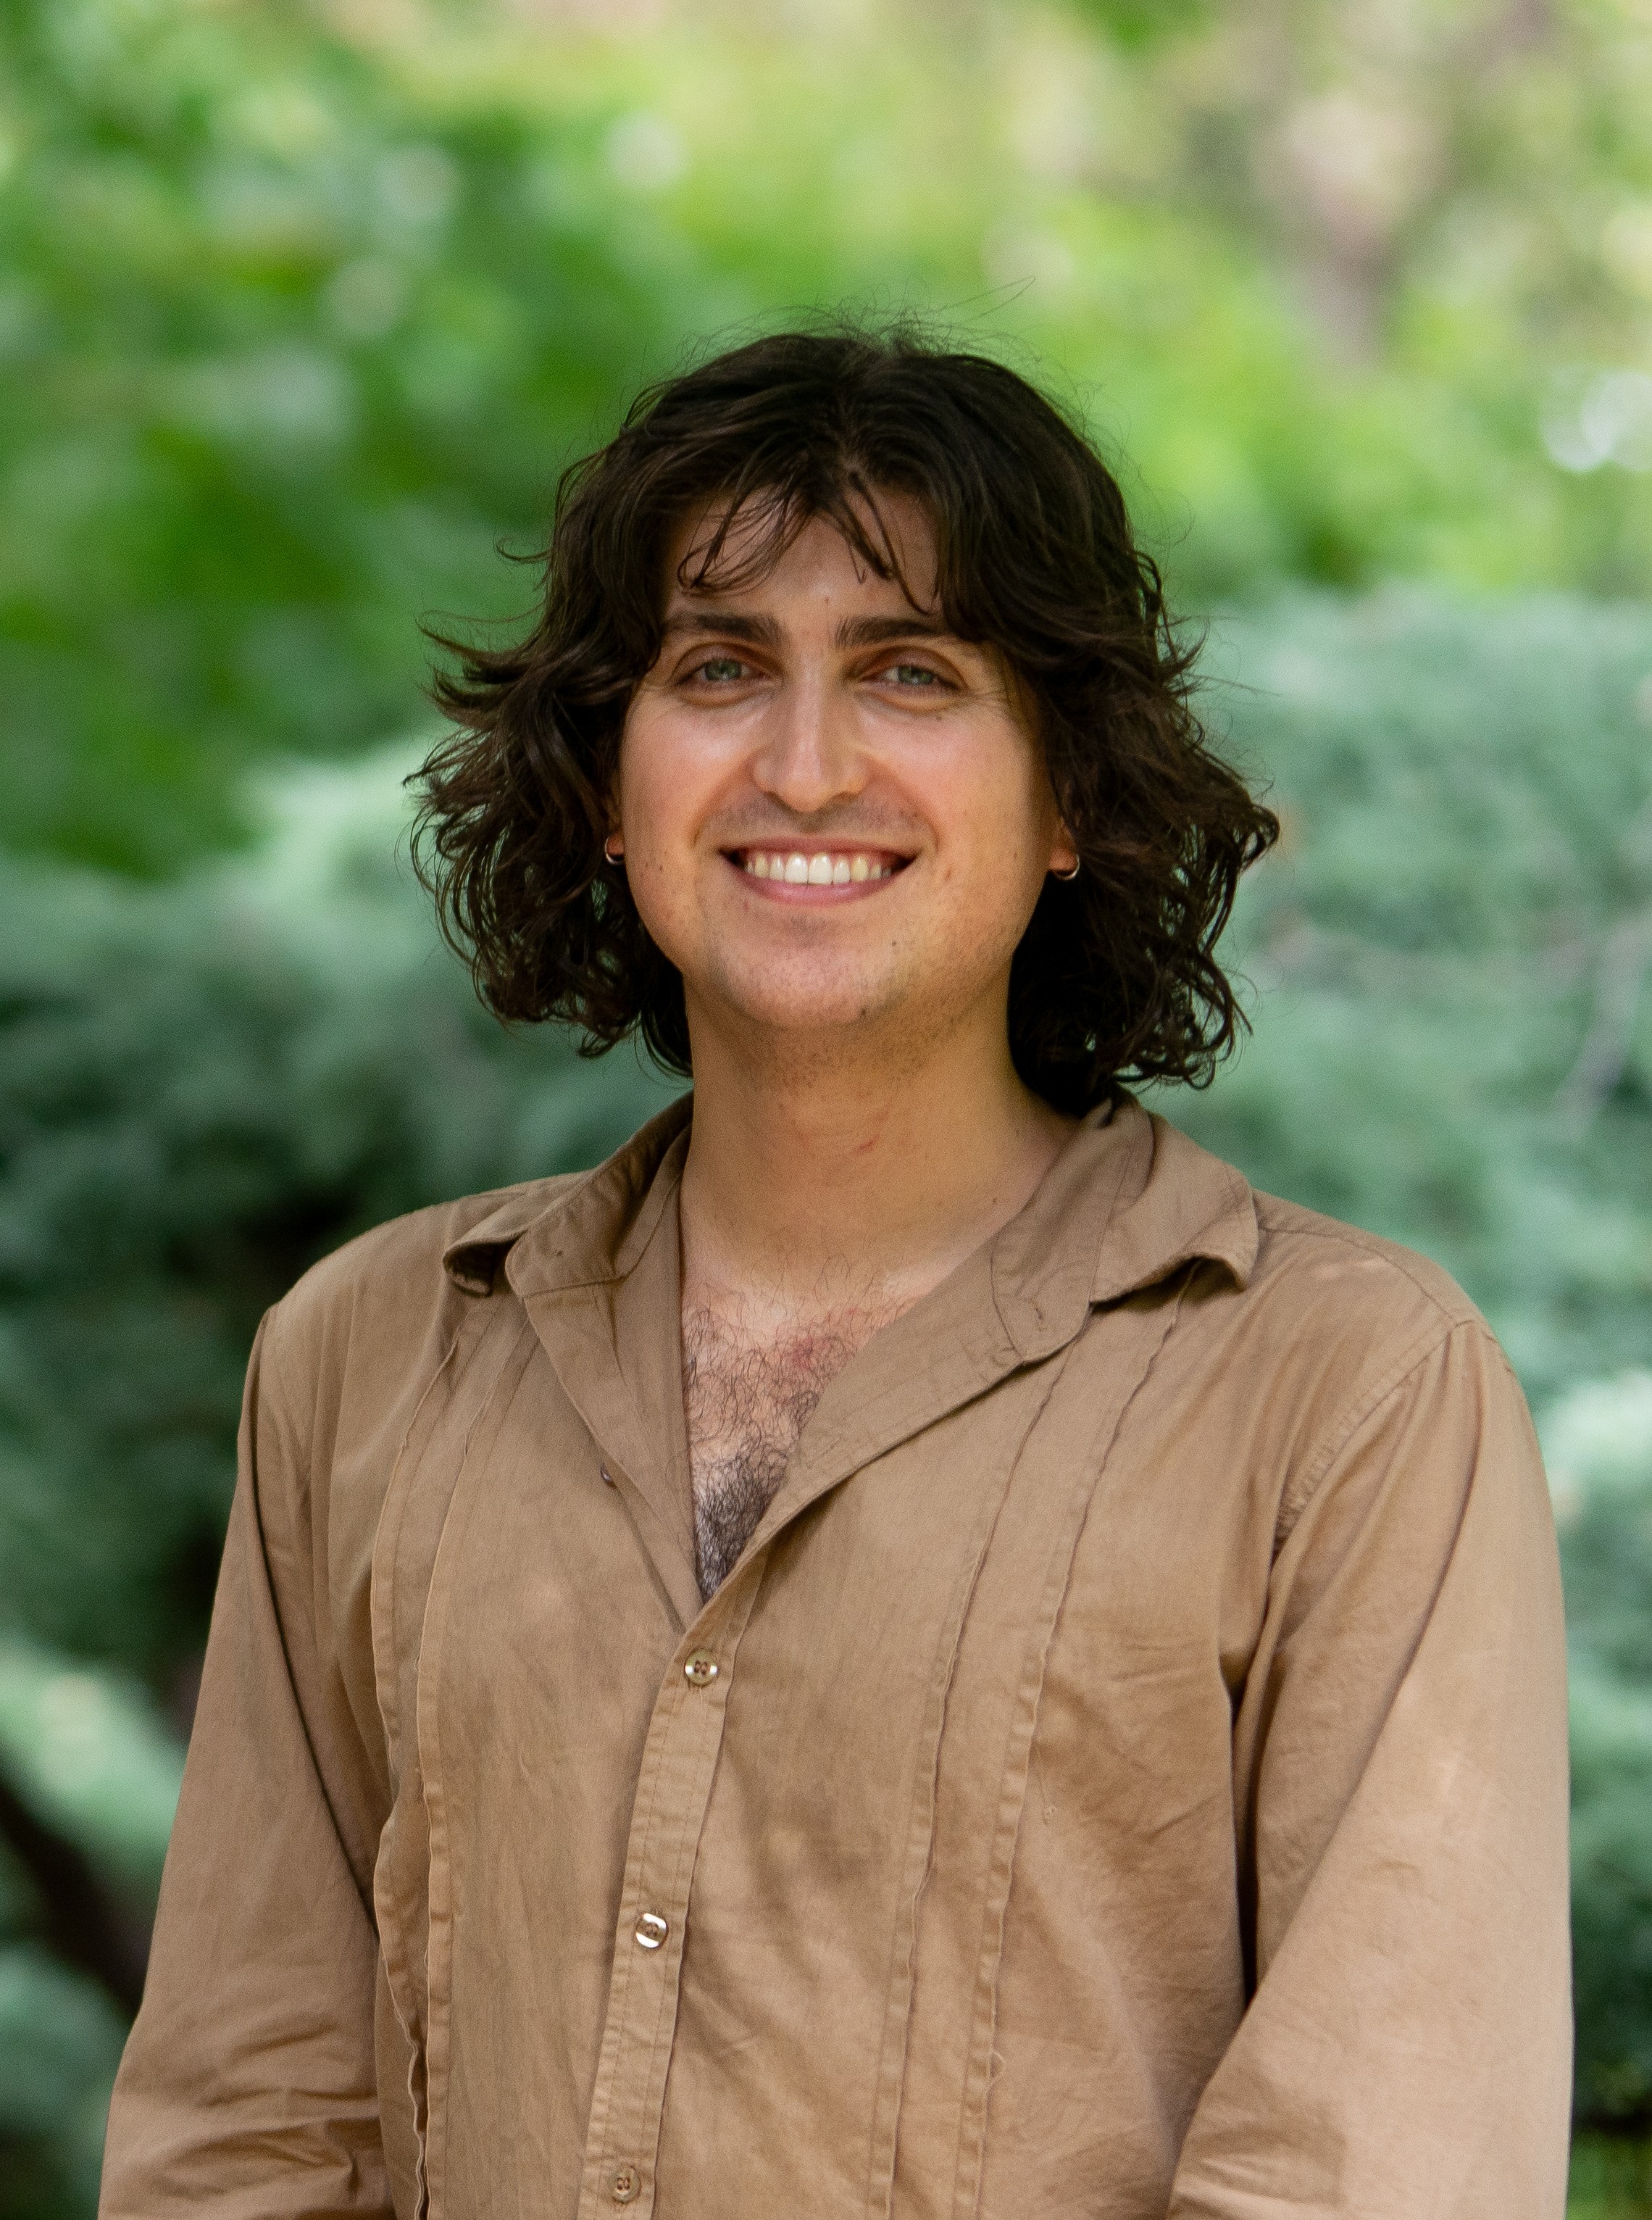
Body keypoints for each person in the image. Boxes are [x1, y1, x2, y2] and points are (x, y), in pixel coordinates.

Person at [99, 327, 1572, 2220]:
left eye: (911, 672)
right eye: (721, 668)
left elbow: (1379, 2172)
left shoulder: (1348, 1396)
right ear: (608, 790)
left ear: (1067, 800)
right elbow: (246, 2130)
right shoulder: (365, 1361)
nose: (806, 765)